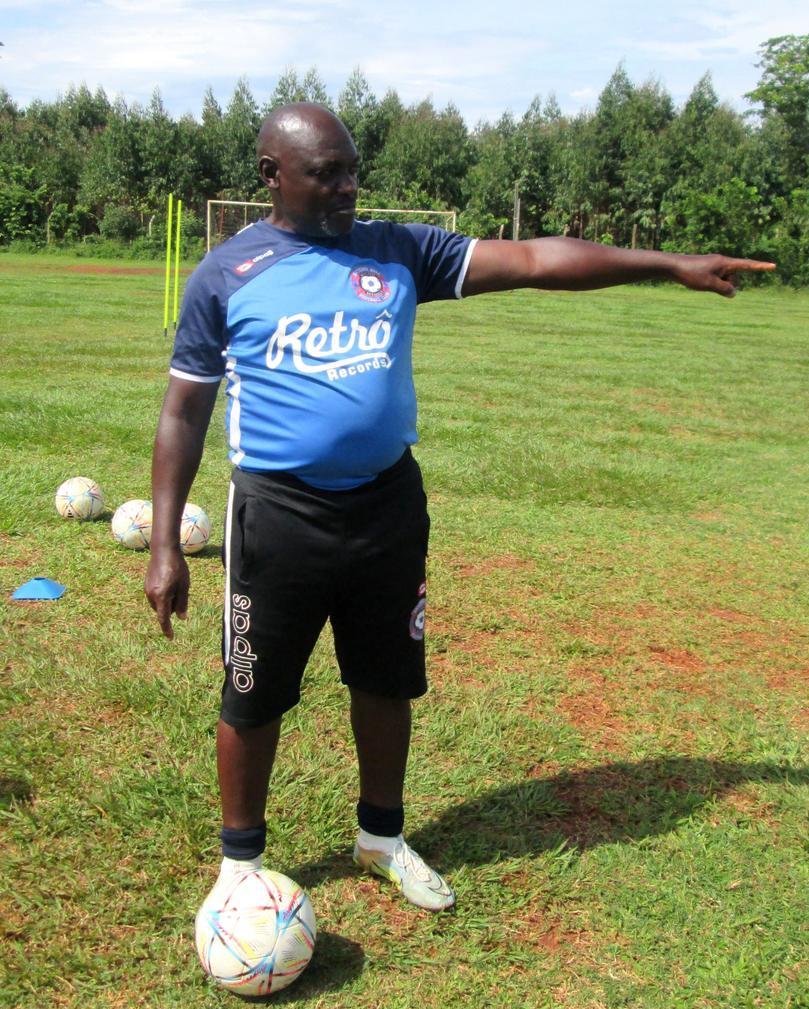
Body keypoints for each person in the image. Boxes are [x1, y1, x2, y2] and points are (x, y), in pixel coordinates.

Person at [144, 102, 774, 913]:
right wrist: (166, 542)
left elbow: (538, 258)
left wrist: (664, 264)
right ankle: (240, 864)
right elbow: (182, 411)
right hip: (274, 513)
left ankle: (381, 835)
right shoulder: (226, 275)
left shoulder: (399, 249)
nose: (347, 186)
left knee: (385, 679)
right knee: (253, 687)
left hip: (387, 508)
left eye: (350, 168)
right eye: (325, 172)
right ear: (271, 175)